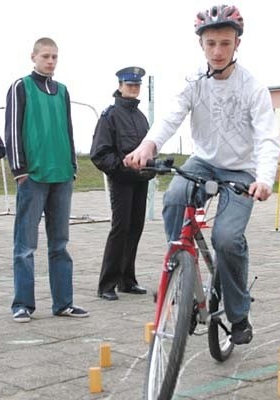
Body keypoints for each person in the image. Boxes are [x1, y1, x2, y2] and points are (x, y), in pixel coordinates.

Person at [124, 5, 280, 344]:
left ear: (237, 43)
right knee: (174, 197)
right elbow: (171, 116)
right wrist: (148, 144)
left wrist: (264, 178)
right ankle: (180, 270)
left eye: (225, 43)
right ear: (201, 45)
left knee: (226, 238)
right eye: (211, 44)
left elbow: (268, 136)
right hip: (203, 161)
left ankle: (238, 315)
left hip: (241, 169)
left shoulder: (252, 87)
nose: (218, 51)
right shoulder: (194, 81)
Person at [4, 37, 89, 322]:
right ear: (34, 57)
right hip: (34, 176)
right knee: (25, 245)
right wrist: (19, 169)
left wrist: (73, 165)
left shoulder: (62, 90)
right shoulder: (21, 87)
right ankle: (22, 304)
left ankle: (63, 302)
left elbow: (68, 128)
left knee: (60, 243)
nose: (50, 61)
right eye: (45, 56)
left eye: (54, 56)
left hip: (61, 174)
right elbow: (13, 128)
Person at [90, 67, 153, 301]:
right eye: (129, 85)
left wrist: (151, 166)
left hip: (140, 181)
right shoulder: (110, 116)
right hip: (121, 181)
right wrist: (123, 167)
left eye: (137, 86)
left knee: (135, 228)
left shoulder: (141, 117)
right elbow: (99, 153)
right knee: (120, 229)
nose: (133, 89)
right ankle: (107, 283)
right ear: (120, 86)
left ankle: (127, 280)